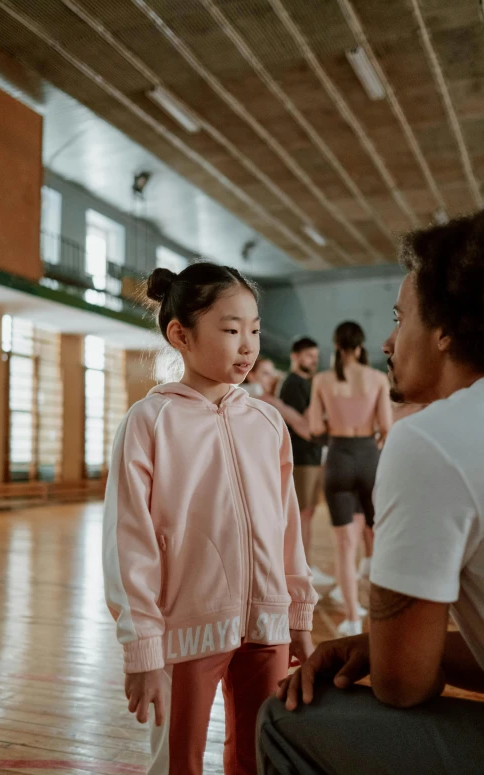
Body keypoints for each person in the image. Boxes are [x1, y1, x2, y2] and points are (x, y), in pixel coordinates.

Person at [257, 211, 484, 775]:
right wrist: (374, 640)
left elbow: (404, 686)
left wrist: (391, 651)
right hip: (361, 456)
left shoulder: (432, 439)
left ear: (446, 329)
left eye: (399, 316)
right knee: (358, 538)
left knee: (285, 719)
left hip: (340, 459)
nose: (389, 340)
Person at [102, 262, 317, 775]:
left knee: (257, 757)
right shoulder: (149, 422)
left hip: (267, 625)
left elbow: (287, 528)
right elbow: (128, 542)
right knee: (180, 763)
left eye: (255, 330)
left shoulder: (267, 422)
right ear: (180, 334)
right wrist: (144, 652)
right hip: (186, 628)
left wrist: (298, 614)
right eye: (230, 330)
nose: (248, 345)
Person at [309, 322, 393, 637]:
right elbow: (386, 426)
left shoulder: (322, 380)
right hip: (369, 457)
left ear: (336, 346)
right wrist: (370, 450)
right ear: (360, 347)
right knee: (380, 537)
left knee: (344, 547)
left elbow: (316, 428)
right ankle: (385, 615)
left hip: (339, 458)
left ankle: (352, 619)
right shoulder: (376, 378)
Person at [280, 338, 334, 586]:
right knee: (300, 515)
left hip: (312, 457)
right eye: (309, 356)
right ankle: (297, 569)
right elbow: (303, 424)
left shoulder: (306, 383)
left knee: (307, 514)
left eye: (316, 356)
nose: (314, 360)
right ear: (296, 356)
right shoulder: (293, 385)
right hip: (300, 458)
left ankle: (305, 565)